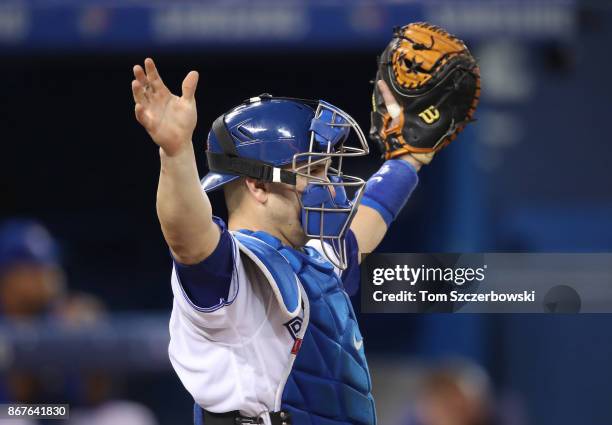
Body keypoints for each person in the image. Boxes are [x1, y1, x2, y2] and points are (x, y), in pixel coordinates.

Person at [131, 58, 422, 425]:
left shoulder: (311, 260)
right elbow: (186, 238)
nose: (331, 184)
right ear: (258, 184)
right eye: (315, 170)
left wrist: (406, 160)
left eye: (329, 169)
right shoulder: (232, 270)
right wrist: (175, 154)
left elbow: (367, 221)